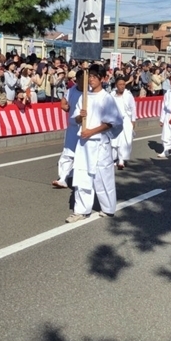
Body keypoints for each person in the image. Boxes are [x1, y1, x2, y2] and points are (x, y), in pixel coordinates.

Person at [66, 65, 123, 223]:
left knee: (102, 176)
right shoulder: (84, 96)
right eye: (89, 76)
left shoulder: (106, 98)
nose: (91, 79)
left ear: (103, 78)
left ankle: (107, 207)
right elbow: (76, 117)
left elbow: (113, 122)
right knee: (82, 174)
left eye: (94, 76)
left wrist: (92, 131)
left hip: (99, 142)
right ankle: (81, 210)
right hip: (83, 143)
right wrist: (79, 117)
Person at [52, 69, 84, 189]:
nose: (82, 82)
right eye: (80, 79)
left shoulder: (89, 92)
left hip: (86, 127)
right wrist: (68, 108)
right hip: (72, 126)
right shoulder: (70, 91)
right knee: (68, 152)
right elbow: (63, 104)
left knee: (85, 154)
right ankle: (63, 178)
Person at [111, 76, 137, 169]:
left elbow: (133, 108)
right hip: (115, 121)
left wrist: (133, 120)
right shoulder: (112, 95)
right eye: (120, 84)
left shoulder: (128, 95)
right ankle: (115, 158)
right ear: (116, 85)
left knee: (125, 140)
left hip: (126, 120)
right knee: (115, 140)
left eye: (123, 84)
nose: (122, 86)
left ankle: (121, 160)